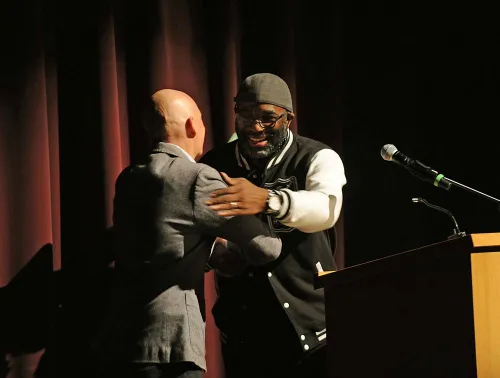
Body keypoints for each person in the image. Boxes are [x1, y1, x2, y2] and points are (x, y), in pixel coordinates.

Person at [93, 89, 282, 378]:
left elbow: (163, 239)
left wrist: (209, 248)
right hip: (171, 350)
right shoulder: (198, 178)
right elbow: (267, 248)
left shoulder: (129, 178)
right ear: (192, 125)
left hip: (121, 344)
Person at [200, 73, 347, 378]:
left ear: (289, 118)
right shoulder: (213, 163)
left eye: (268, 118)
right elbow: (195, 226)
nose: (255, 127)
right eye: (246, 116)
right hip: (245, 327)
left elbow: (326, 210)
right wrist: (215, 251)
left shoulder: (316, 157)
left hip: (311, 324)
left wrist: (268, 201)